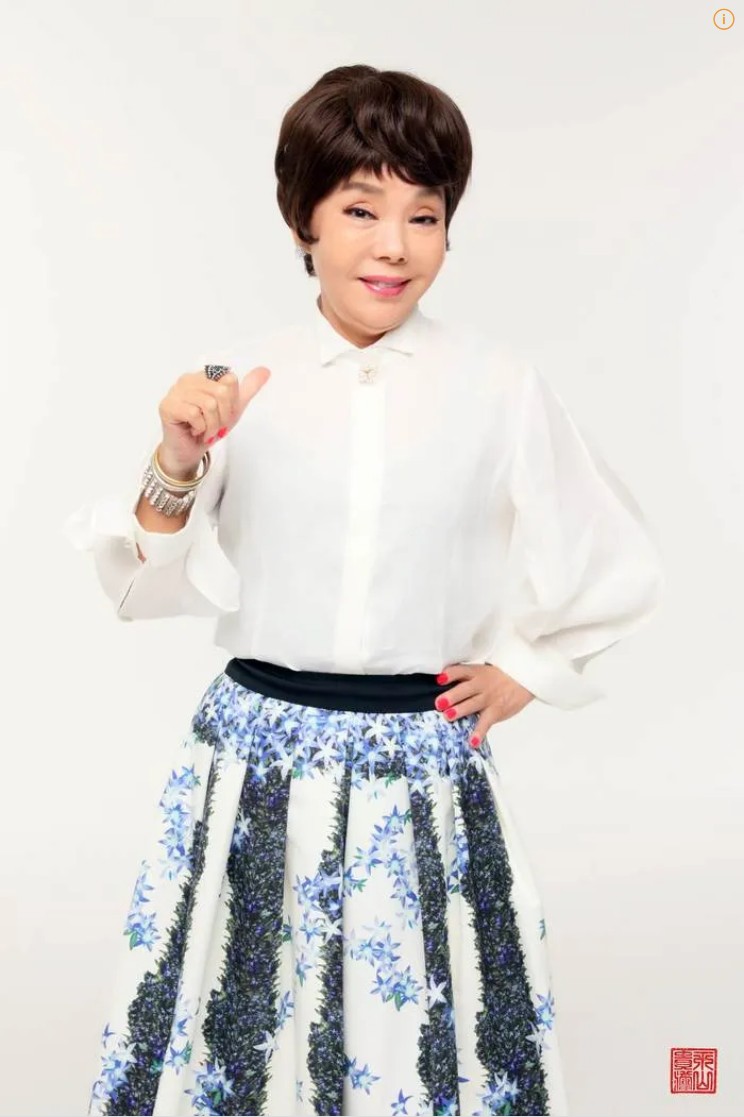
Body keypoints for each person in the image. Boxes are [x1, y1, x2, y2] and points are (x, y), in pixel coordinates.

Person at [64, 63, 664, 1117]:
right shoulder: (241, 382)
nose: (393, 245)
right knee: (242, 1033)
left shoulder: (498, 384)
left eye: (423, 215)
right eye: (360, 209)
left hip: (418, 767)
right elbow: (145, 584)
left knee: (415, 1044)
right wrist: (178, 457)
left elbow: (612, 553)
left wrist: (525, 667)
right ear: (305, 219)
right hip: (255, 764)